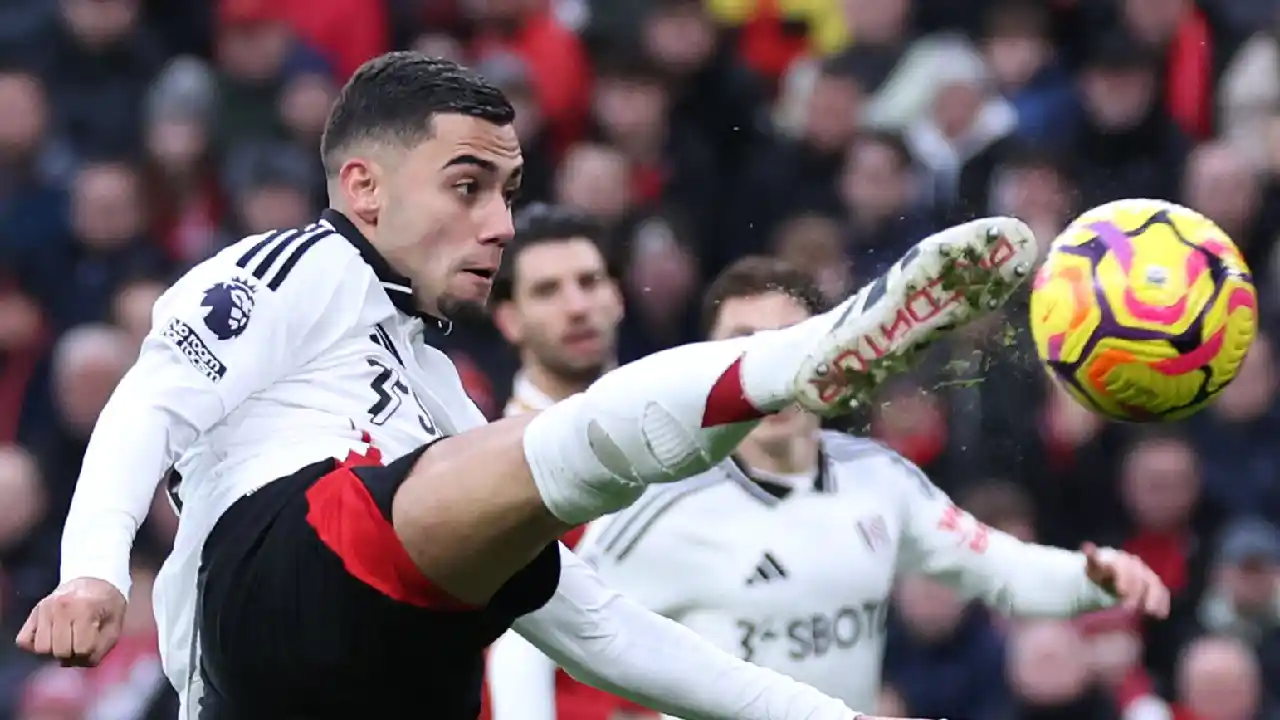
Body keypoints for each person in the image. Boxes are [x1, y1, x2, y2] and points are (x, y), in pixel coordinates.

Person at [18, 53, 1038, 719]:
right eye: (467, 187)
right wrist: (94, 572)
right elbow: (150, 399)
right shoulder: (300, 266)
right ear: (362, 186)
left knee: (527, 493)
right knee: (532, 452)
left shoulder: (437, 395)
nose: (500, 224)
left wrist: (814, 714)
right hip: (275, 591)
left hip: (385, 668)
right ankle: (811, 354)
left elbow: (595, 626)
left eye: (507, 191)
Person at [487, 256, 1171, 719]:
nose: (768, 363)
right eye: (743, 342)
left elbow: (999, 569)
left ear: (829, 352)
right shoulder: (662, 507)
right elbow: (527, 634)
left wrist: (1093, 581)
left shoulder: (878, 480)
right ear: (704, 366)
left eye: (792, 341)